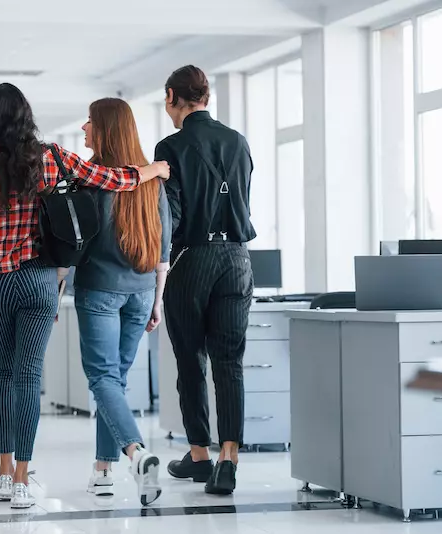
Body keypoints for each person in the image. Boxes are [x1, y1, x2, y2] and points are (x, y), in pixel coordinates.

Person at [0, 83, 169, 510]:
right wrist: (153, 170)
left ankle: (1, 471)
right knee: (31, 377)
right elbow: (115, 178)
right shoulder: (50, 157)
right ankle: (21, 481)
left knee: (5, 374)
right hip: (39, 281)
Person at [154, 65, 255, 495]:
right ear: (207, 98)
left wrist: (159, 262)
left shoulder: (170, 146)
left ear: (172, 96)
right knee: (230, 362)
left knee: (190, 359)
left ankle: (198, 455)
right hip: (237, 259)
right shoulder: (237, 141)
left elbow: (170, 215)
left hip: (193, 259)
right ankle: (228, 458)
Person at [75, 98, 172, 506]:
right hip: (142, 290)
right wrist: (158, 300)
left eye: (91, 122)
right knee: (115, 380)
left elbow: (77, 241)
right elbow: (165, 245)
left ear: (106, 129)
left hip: (100, 288)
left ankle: (134, 453)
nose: (84, 128)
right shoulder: (154, 180)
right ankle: (102, 470)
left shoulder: (93, 181)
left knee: (103, 380)